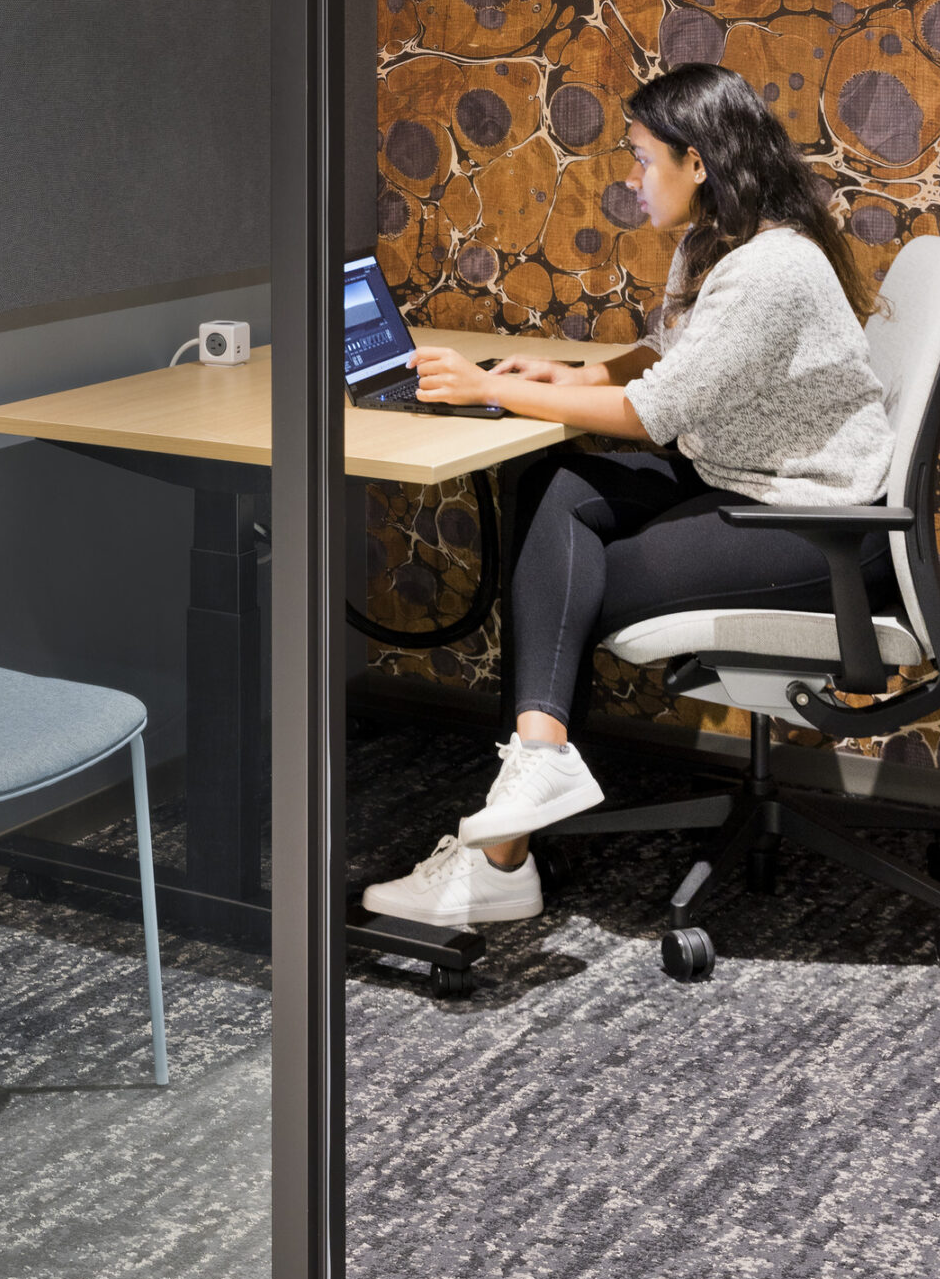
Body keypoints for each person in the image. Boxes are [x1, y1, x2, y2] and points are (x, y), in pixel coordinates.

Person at [360, 61, 895, 928]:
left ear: (698, 162)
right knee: (551, 482)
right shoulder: (718, 240)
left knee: (575, 573)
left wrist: (490, 388)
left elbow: (649, 414)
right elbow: (665, 359)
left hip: (819, 526)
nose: (631, 177)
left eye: (643, 159)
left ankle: (505, 848)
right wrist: (561, 370)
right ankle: (531, 781)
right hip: (742, 478)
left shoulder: (770, 268)